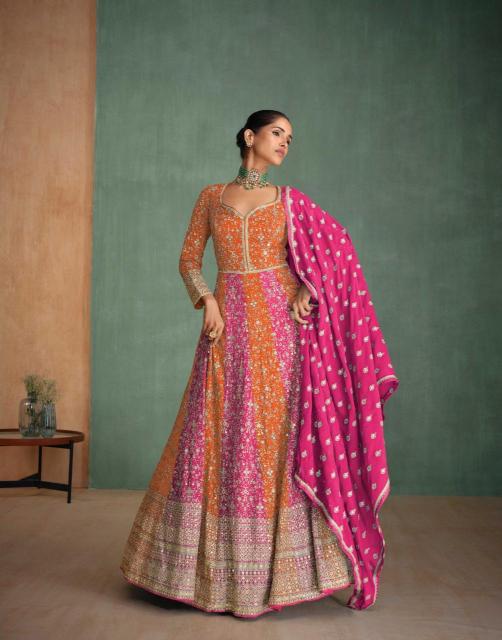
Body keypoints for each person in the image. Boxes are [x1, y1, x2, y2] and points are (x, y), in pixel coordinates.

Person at [120, 110, 400, 618]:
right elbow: (188, 261)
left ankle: (290, 573)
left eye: (290, 138)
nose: (285, 143)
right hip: (225, 331)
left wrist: (309, 292)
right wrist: (207, 300)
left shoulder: (289, 201)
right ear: (250, 137)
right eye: (277, 133)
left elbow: (335, 253)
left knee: (275, 440)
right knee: (215, 435)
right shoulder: (211, 197)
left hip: (280, 334)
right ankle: (203, 573)